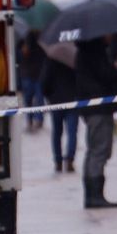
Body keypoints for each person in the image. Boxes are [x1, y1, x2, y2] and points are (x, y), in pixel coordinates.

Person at [75, 34, 117, 209]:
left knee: (95, 150)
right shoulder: (95, 52)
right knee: (99, 150)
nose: (111, 36)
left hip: (93, 106)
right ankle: (94, 196)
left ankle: (93, 194)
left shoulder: (86, 50)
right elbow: (105, 74)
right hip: (99, 107)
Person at [40, 43, 80, 173]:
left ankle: (58, 161)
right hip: (72, 100)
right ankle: (69, 159)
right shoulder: (75, 56)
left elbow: (45, 80)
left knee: (57, 132)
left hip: (56, 101)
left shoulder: (51, 57)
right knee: (72, 132)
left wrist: (48, 95)